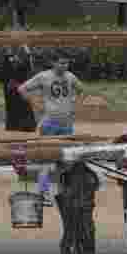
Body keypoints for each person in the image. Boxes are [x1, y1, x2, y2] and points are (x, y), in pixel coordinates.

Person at [17, 57, 89, 205]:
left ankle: (63, 192)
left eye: (67, 63)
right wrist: (35, 104)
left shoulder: (70, 76)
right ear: (53, 63)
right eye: (61, 63)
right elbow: (22, 89)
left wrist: (75, 105)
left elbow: (83, 91)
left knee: (66, 159)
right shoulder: (43, 76)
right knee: (47, 159)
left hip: (66, 123)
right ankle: (43, 192)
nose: (64, 66)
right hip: (49, 122)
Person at [3, 46, 37, 132]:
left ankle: (27, 126)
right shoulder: (9, 56)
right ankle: (13, 126)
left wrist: (27, 52)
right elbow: (7, 69)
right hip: (11, 86)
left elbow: (29, 67)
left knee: (25, 105)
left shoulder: (25, 57)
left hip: (21, 85)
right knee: (12, 105)